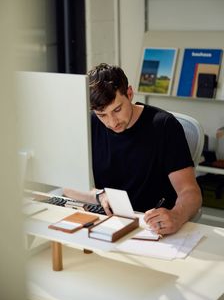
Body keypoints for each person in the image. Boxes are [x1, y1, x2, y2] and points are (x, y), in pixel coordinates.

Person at [64, 63, 202, 235]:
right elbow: (67, 185)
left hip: (152, 227)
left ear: (129, 93)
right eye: (102, 115)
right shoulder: (91, 124)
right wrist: (99, 195)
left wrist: (177, 215)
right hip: (110, 224)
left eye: (117, 109)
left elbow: (190, 192)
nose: (112, 122)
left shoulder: (164, 125)